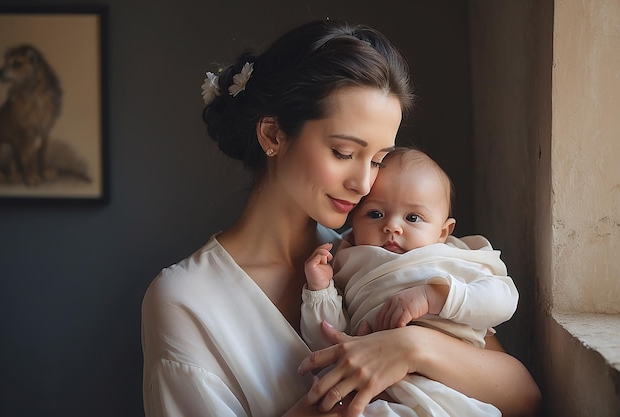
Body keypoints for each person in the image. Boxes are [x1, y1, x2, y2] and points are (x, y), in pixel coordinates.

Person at [141, 20, 541, 417]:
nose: (364, 183)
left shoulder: (374, 252)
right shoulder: (186, 300)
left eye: (379, 161)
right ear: (273, 135)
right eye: (345, 153)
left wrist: (409, 349)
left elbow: (523, 396)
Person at [301, 147, 519, 416]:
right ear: (354, 220)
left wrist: (435, 297)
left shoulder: (451, 258)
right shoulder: (347, 263)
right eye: (375, 214)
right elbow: (330, 339)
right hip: (378, 389)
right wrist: (320, 292)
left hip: (449, 383)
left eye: (412, 218)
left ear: (443, 231)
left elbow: (503, 298)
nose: (392, 226)